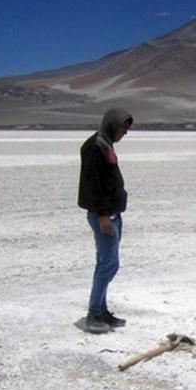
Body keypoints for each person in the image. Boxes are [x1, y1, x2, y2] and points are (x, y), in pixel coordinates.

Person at [77, 108, 133, 334]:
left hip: (111, 214)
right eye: (123, 127)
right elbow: (93, 184)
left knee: (108, 263)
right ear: (113, 124)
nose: (125, 133)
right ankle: (94, 313)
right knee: (107, 264)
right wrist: (102, 215)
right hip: (104, 216)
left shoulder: (105, 144)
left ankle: (102, 310)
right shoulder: (95, 147)